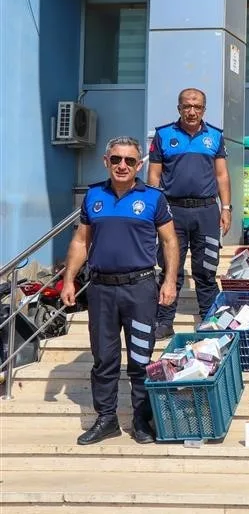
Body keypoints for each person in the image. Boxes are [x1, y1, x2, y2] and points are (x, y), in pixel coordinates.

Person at [60, 136, 179, 445]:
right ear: (106, 161)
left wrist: (169, 281)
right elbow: (80, 241)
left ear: (139, 165)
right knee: (104, 359)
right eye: (116, 160)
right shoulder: (94, 196)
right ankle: (106, 419)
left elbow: (169, 242)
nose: (122, 165)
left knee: (141, 358)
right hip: (100, 289)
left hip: (139, 288)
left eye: (129, 160)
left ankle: (142, 420)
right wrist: (69, 279)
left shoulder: (153, 198)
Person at [147, 88, 231, 340]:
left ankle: (210, 319)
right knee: (170, 269)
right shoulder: (164, 135)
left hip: (206, 211)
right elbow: (153, 176)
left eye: (197, 107)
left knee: (206, 269)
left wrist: (226, 208)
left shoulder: (215, 136)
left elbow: (221, 175)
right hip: (172, 212)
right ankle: (164, 321)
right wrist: (153, 209)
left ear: (204, 109)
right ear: (179, 108)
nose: (191, 111)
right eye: (186, 106)